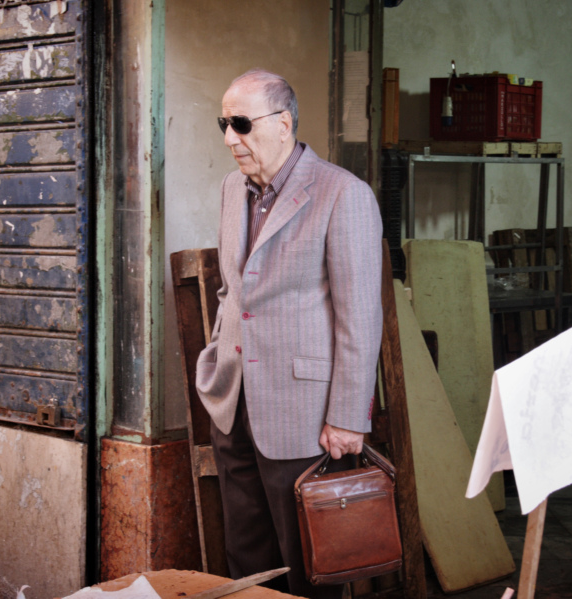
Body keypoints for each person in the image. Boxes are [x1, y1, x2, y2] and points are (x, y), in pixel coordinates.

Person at [195, 68, 383, 598]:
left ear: (283, 124)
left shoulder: (343, 194)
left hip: (305, 415)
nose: (230, 138)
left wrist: (348, 417)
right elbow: (232, 290)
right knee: (247, 562)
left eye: (241, 124)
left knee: (307, 569)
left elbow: (359, 317)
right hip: (233, 403)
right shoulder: (233, 189)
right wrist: (216, 361)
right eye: (224, 125)